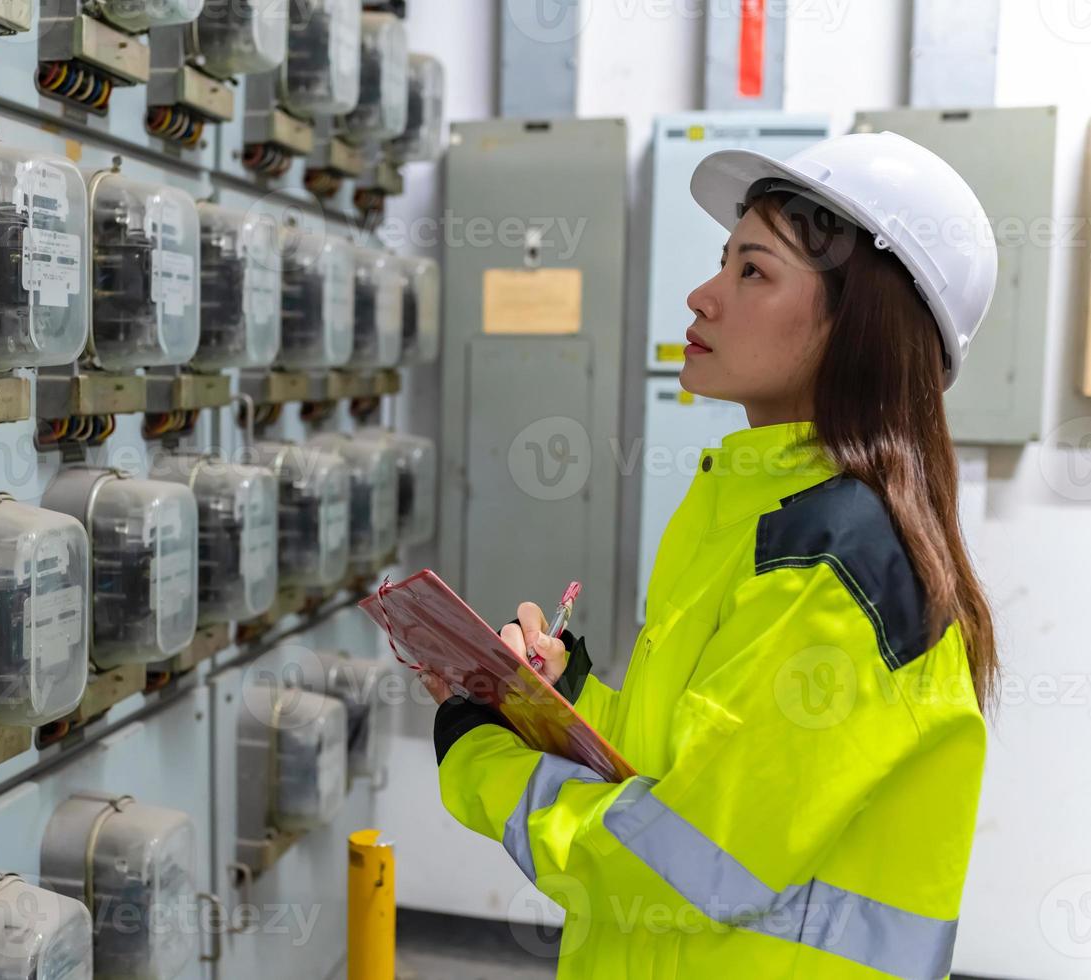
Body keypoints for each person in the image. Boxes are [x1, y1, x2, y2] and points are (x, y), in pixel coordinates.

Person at [422, 132, 999, 980]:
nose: (699, 296)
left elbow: (683, 864)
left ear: (858, 324)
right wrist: (563, 697)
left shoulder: (835, 566)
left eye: (751, 271)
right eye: (721, 262)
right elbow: (690, 766)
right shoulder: (751, 512)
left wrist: (480, 759)